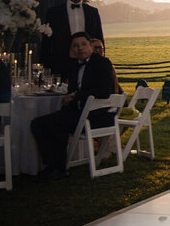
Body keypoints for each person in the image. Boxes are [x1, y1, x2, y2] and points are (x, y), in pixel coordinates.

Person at [29, 32, 117, 180]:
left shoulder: (102, 63)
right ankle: (52, 164)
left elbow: (104, 91)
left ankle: (59, 168)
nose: (80, 48)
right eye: (75, 46)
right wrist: (68, 100)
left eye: (83, 44)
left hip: (98, 116)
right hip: (79, 113)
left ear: (90, 46)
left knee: (58, 123)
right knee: (38, 123)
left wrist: (76, 96)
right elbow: (72, 92)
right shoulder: (74, 67)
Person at [42, 0, 103, 71]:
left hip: (88, 58)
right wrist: (46, 62)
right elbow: (47, 40)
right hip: (62, 59)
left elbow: (99, 35)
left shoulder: (92, 12)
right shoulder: (54, 12)